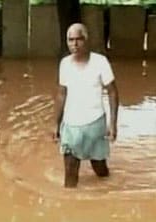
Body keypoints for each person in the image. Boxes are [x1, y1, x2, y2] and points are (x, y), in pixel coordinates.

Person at [54, 23, 119, 188]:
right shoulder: (65, 64)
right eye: (70, 40)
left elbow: (112, 92)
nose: (74, 44)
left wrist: (113, 124)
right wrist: (55, 124)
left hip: (95, 123)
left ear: (86, 40)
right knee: (70, 174)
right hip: (70, 125)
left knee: (100, 169)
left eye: (78, 39)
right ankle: (67, 209)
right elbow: (61, 94)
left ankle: (109, 191)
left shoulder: (100, 62)